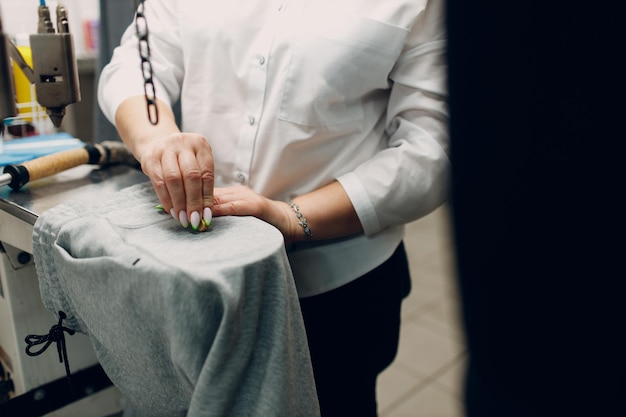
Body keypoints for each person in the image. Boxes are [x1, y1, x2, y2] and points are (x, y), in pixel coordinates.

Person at [98, 0, 448, 415]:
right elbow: (137, 66)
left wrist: (291, 217)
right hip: (205, 273)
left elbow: (433, 149)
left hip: (339, 289)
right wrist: (158, 141)